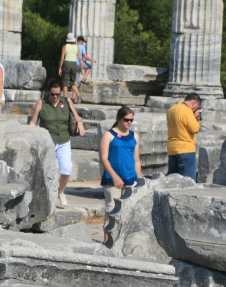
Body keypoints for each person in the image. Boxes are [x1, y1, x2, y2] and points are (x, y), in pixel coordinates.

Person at [29, 78, 86, 206]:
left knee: (66, 169)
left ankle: (61, 192)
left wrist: (80, 123)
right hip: (48, 141)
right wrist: (29, 134)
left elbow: (76, 116)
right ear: (48, 93)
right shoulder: (41, 103)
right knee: (47, 170)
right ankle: (47, 194)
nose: (55, 97)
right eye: (52, 94)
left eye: (57, 94)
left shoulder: (66, 101)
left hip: (64, 140)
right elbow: (33, 122)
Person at [99, 107, 142, 244]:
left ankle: (122, 241)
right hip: (112, 179)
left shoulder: (135, 136)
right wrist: (114, 175)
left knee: (129, 211)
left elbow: (136, 160)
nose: (129, 122)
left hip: (130, 177)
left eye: (131, 120)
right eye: (126, 120)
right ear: (119, 119)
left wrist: (140, 180)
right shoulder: (109, 135)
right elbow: (104, 158)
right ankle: (107, 241)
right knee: (111, 209)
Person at [166, 93, 202, 181]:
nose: (195, 109)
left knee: (172, 181)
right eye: (197, 107)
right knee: (187, 183)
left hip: (172, 149)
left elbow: (181, 124)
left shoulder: (172, 109)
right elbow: (195, 129)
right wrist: (196, 118)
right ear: (194, 103)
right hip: (185, 149)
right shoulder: (186, 110)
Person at [58, 33, 83, 103]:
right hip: (74, 64)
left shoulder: (65, 46)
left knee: (65, 82)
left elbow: (62, 58)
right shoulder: (76, 47)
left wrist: (60, 67)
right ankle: (78, 93)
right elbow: (80, 58)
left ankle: (65, 98)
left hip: (67, 63)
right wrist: (81, 67)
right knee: (73, 82)